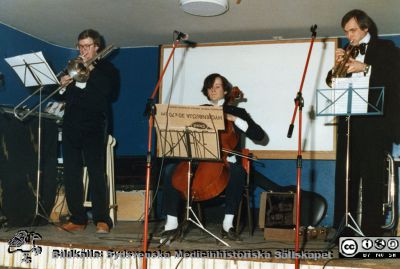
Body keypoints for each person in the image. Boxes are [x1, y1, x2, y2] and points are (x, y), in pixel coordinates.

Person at [158, 73, 266, 242]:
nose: (213, 90)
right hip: (198, 159)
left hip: (226, 162)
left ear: (225, 91)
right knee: (170, 169)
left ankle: (227, 224)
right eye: (210, 87)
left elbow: (259, 135)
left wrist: (234, 119)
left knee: (238, 172)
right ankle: (171, 223)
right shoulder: (200, 110)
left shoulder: (238, 111)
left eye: (217, 86)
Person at [327, 10, 400, 236]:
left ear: (365, 28)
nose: (349, 36)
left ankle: (371, 231)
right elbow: (331, 82)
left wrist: (365, 68)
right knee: (345, 175)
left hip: (375, 123)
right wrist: (338, 65)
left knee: (372, 176)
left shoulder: (386, 48)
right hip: (349, 122)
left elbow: (395, 74)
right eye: (346, 31)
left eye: (352, 30)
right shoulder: (348, 52)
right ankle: (343, 229)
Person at [58, 29, 119, 233]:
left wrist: (91, 70)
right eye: (81, 46)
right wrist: (63, 85)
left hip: (94, 125)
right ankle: (77, 218)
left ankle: (102, 219)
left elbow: (110, 92)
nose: (84, 50)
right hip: (71, 125)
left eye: (88, 46)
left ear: (96, 47)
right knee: (71, 172)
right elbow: (59, 96)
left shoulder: (107, 69)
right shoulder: (70, 68)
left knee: (96, 172)